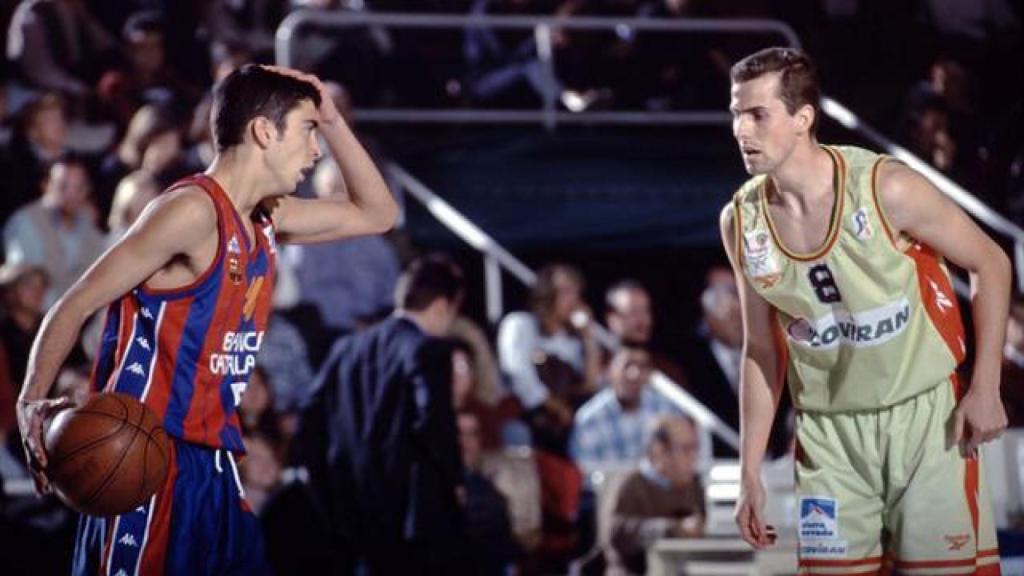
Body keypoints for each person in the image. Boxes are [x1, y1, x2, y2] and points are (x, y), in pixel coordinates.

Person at [16, 64, 398, 576]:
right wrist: (30, 398)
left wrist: (329, 115)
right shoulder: (191, 212)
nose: (315, 150)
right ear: (264, 131)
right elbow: (75, 302)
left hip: (215, 466)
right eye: (308, 131)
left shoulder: (269, 216)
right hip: (145, 458)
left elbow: (377, 214)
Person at [721, 47, 1011, 573]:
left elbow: (991, 263)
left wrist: (985, 387)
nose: (742, 128)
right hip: (829, 436)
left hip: (924, 421)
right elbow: (760, 351)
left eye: (757, 114)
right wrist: (749, 472)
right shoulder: (741, 220)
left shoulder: (885, 188)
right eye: (736, 113)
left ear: (803, 118)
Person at [296, 254, 469, 575]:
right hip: (413, 519)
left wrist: (326, 491)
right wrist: (454, 481)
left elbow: (309, 421)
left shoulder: (346, 349)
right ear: (443, 305)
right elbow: (434, 422)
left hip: (353, 511)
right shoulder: (426, 350)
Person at [607, 415, 705, 575]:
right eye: (686, 449)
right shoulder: (629, 484)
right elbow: (616, 533)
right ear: (659, 450)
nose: (694, 457)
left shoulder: (694, 484)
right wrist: (670, 529)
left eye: (696, 448)